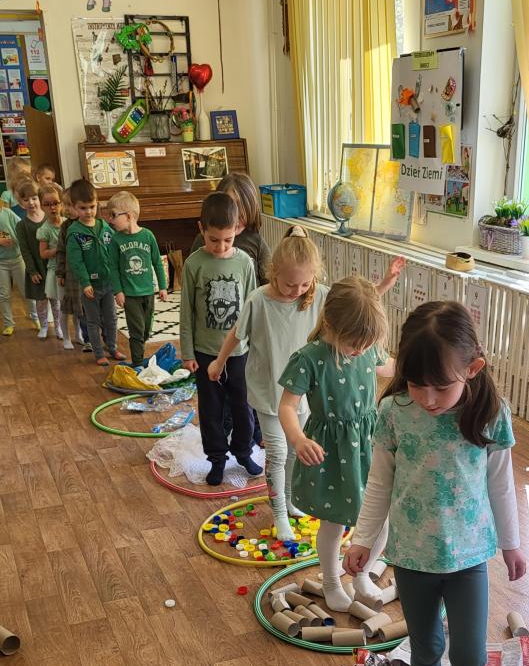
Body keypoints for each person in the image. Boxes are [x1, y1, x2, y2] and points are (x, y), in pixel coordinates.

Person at [343, 301, 526, 666]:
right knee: (425, 648)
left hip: (469, 554)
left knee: (470, 653)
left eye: (441, 386)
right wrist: (363, 539)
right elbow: (379, 482)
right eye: (415, 383)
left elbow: (501, 485)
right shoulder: (395, 412)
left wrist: (512, 544)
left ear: (472, 369)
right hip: (412, 555)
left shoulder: (489, 414)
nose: (427, 398)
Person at [211, 230, 396, 542]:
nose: (297, 291)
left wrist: (384, 286)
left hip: (308, 392)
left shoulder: (319, 296)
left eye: (304, 284)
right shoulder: (259, 300)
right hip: (269, 392)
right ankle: (279, 513)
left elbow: (353, 306)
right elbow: (236, 333)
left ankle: (290, 501)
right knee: (279, 451)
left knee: (296, 455)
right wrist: (219, 361)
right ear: (274, 272)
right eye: (290, 284)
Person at [278, 275, 400, 610]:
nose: (360, 350)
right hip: (331, 452)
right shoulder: (309, 358)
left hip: (369, 445)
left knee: (381, 517)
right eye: (354, 344)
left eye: (366, 344)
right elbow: (286, 406)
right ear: (331, 325)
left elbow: (389, 367)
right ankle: (332, 581)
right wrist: (298, 438)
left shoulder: (367, 348)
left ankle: (362, 575)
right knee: (335, 521)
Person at [180, 191, 262, 486]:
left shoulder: (245, 262)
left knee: (244, 405)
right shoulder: (194, 264)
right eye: (214, 239)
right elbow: (187, 312)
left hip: (240, 352)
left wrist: (258, 348)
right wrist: (187, 352)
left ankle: (243, 452)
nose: (221, 246)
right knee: (211, 410)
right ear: (201, 229)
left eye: (228, 239)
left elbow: (253, 307)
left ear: (238, 229)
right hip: (205, 352)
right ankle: (216, 459)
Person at [66, 178, 126, 367]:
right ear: (74, 207)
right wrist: (85, 283)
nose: (88, 212)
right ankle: (98, 353)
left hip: (108, 283)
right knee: (93, 321)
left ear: (97, 204)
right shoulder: (74, 232)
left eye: (92, 207)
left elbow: (115, 250)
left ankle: (112, 348)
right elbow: (76, 262)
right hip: (90, 287)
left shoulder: (104, 226)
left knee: (111, 318)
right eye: (83, 208)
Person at [106, 189, 168, 366]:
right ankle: (138, 364)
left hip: (148, 292)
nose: (110, 220)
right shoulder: (116, 240)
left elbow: (157, 262)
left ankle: (139, 354)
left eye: (113, 215)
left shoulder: (147, 236)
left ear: (128, 216)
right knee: (136, 330)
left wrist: (162, 287)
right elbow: (113, 268)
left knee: (146, 330)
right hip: (130, 294)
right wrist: (118, 291)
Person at [189, 172, 270, 284]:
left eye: (242, 206)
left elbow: (270, 280)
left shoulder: (256, 241)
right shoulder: (201, 240)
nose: (238, 214)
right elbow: (191, 277)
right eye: (232, 206)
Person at [15, 178, 56, 340]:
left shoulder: (50, 218)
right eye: (26, 200)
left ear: (40, 198)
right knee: (41, 300)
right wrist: (32, 271)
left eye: (34, 198)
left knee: (55, 299)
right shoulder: (21, 225)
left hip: (52, 265)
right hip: (37, 267)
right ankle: (43, 325)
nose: (31, 202)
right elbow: (25, 250)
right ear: (21, 203)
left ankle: (58, 326)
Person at [56, 188, 90, 352]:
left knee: (89, 306)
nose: (67, 209)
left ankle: (86, 336)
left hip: (89, 272)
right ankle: (78, 336)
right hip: (72, 274)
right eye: (65, 205)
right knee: (75, 305)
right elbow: (61, 251)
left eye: (70, 205)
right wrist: (60, 272)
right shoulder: (65, 227)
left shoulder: (90, 223)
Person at [36, 184, 64, 343]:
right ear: (42, 206)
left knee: (70, 301)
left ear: (61, 203)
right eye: (47, 204)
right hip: (55, 269)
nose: (52, 207)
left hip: (69, 269)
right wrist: (58, 249)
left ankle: (72, 329)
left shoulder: (67, 224)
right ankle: (56, 326)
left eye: (55, 203)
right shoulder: (44, 229)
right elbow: (43, 253)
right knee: (56, 301)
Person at [0, 203, 32, 336]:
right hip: (1, 263)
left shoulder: (7, 213)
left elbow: (21, 226)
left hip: (17, 259)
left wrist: (17, 239)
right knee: (3, 295)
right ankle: (8, 324)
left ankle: (35, 317)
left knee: (26, 291)